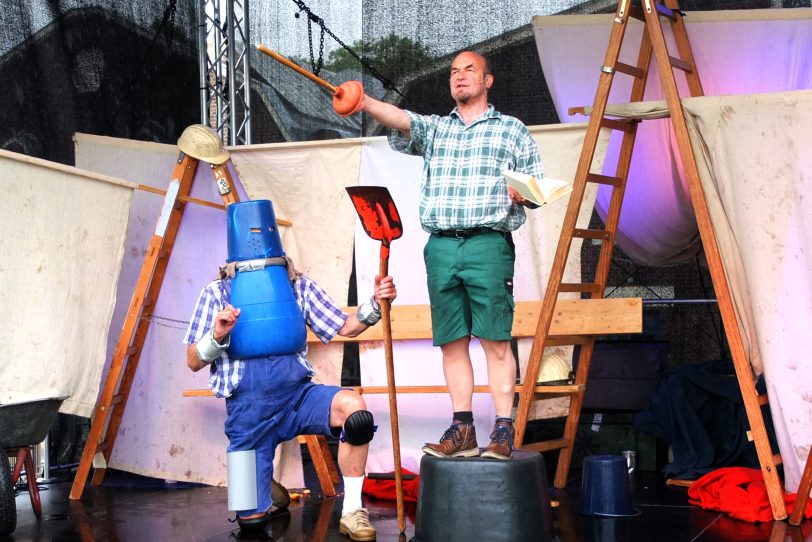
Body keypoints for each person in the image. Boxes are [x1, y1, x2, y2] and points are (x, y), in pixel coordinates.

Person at [357, 50, 544, 461]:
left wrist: (523, 194)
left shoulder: (511, 130)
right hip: (441, 245)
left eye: (469, 70)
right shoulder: (438, 129)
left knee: (496, 341)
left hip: (488, 244)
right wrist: (364, 101)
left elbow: (537, 191)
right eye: (454, 72)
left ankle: (502, 430)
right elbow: (403, 120)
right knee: (452, 343)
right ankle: (462, 429)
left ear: (488, 81)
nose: (460, 77)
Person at [184, 261, 397, 542]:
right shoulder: (216, 293)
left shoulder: (298, 286)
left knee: (354, 411)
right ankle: (261, 478)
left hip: (298, 398)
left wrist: (375, 302)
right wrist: (217, 335)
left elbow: (346, 326)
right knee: (250, 526)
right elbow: (193, 361)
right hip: (248, 414)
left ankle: (352, 510)